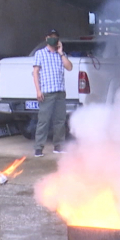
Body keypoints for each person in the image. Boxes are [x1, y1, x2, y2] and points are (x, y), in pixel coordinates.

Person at [32, 29, 72, 157]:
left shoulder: (61, 54)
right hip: (47, 92)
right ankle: (38, 148)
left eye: (55, 37)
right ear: (46, 38)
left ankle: (58, 146)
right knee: (43, 121)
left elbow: (69, 67)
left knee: (60, 120)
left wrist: (61, 53)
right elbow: (35, 72)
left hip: (60, 91)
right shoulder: (40, 54)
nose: (53, 39)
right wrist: (38, 90)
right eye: (51, 37)